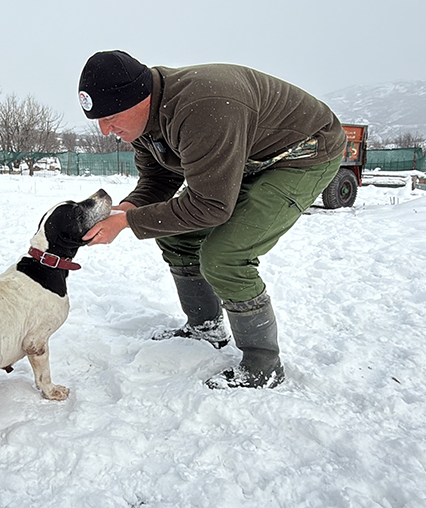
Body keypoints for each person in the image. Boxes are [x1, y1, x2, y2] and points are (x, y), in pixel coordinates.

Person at [78, 50, 346, 389]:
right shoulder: (143, 122)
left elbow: (211, 206)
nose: (104, 130)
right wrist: (126, 210)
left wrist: (128, 224)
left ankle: (263, 365)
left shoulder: (202, 107)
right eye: (97, 120)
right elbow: (159, 181)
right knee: (177, 236)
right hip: (249, 155)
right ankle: (204, 329)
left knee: (226, 256)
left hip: (302, 153)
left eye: (110, 116)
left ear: (139, 98)